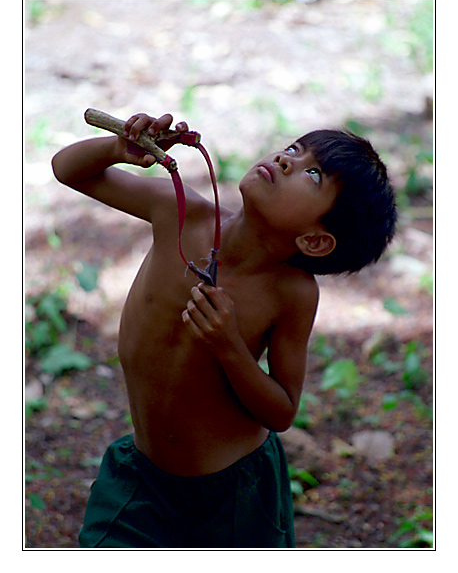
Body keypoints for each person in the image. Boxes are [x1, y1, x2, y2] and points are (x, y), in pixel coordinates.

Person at [51, 112, 397, 548]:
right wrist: (117, 150)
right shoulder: (179, 211)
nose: (286, 160)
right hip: (139, 476)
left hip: (234, 495)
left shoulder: (290, 293)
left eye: (313, 174)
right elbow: (68, 170)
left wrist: (229, 345)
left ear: (314, 240)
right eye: (293, 148)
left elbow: (283, 410)